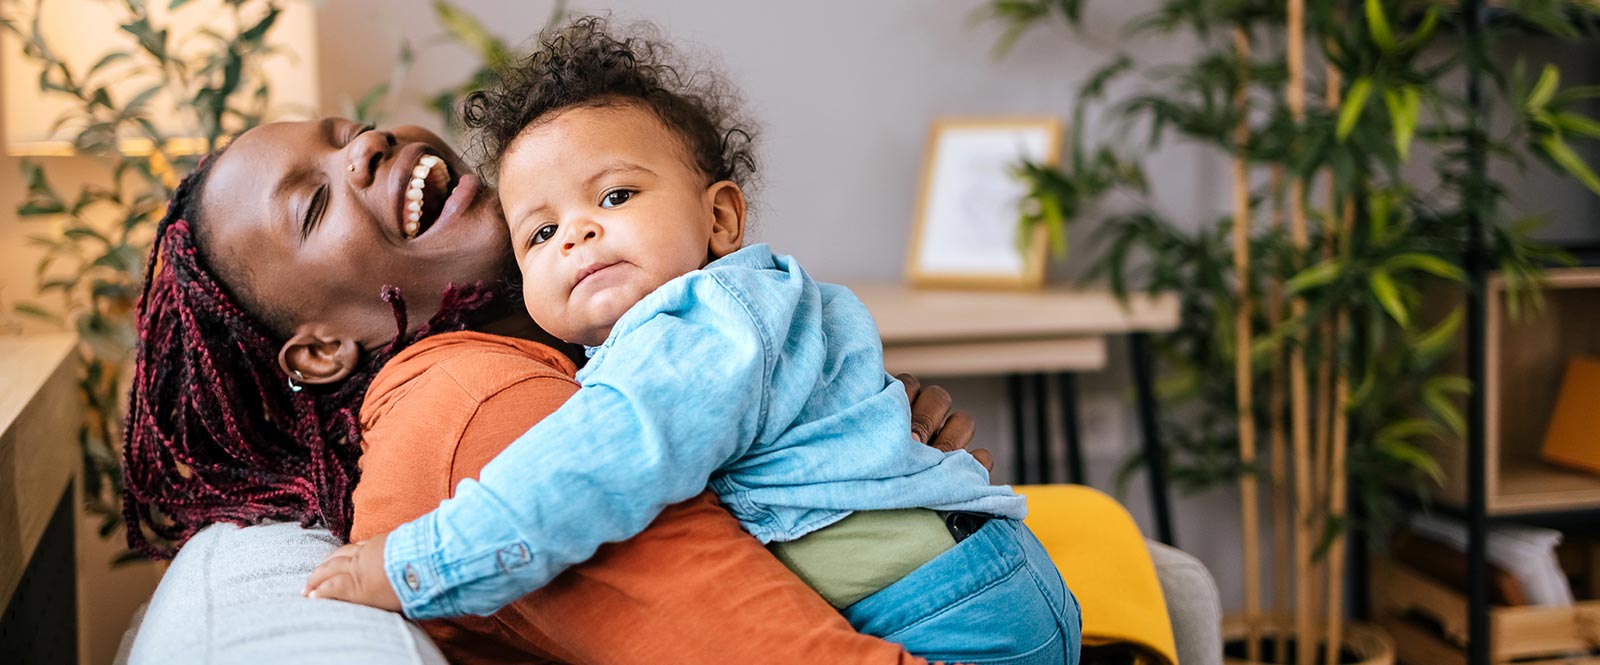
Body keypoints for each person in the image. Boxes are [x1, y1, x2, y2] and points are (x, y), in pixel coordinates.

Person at [306, 17, 1080, 665]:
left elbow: (595, 462)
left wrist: (420, 564)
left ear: (720, 220)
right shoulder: (547, 368)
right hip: (959, 584)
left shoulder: (703, 316)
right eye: (540, 232)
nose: (577, 231)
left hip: (939, 607)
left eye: (615, 195)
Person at [122, 115, 990, 662]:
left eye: (345, 131)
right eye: (312, 205)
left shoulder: (571, 352)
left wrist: (861, 459)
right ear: (319, 353)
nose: (366, 148)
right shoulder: (479, 411)